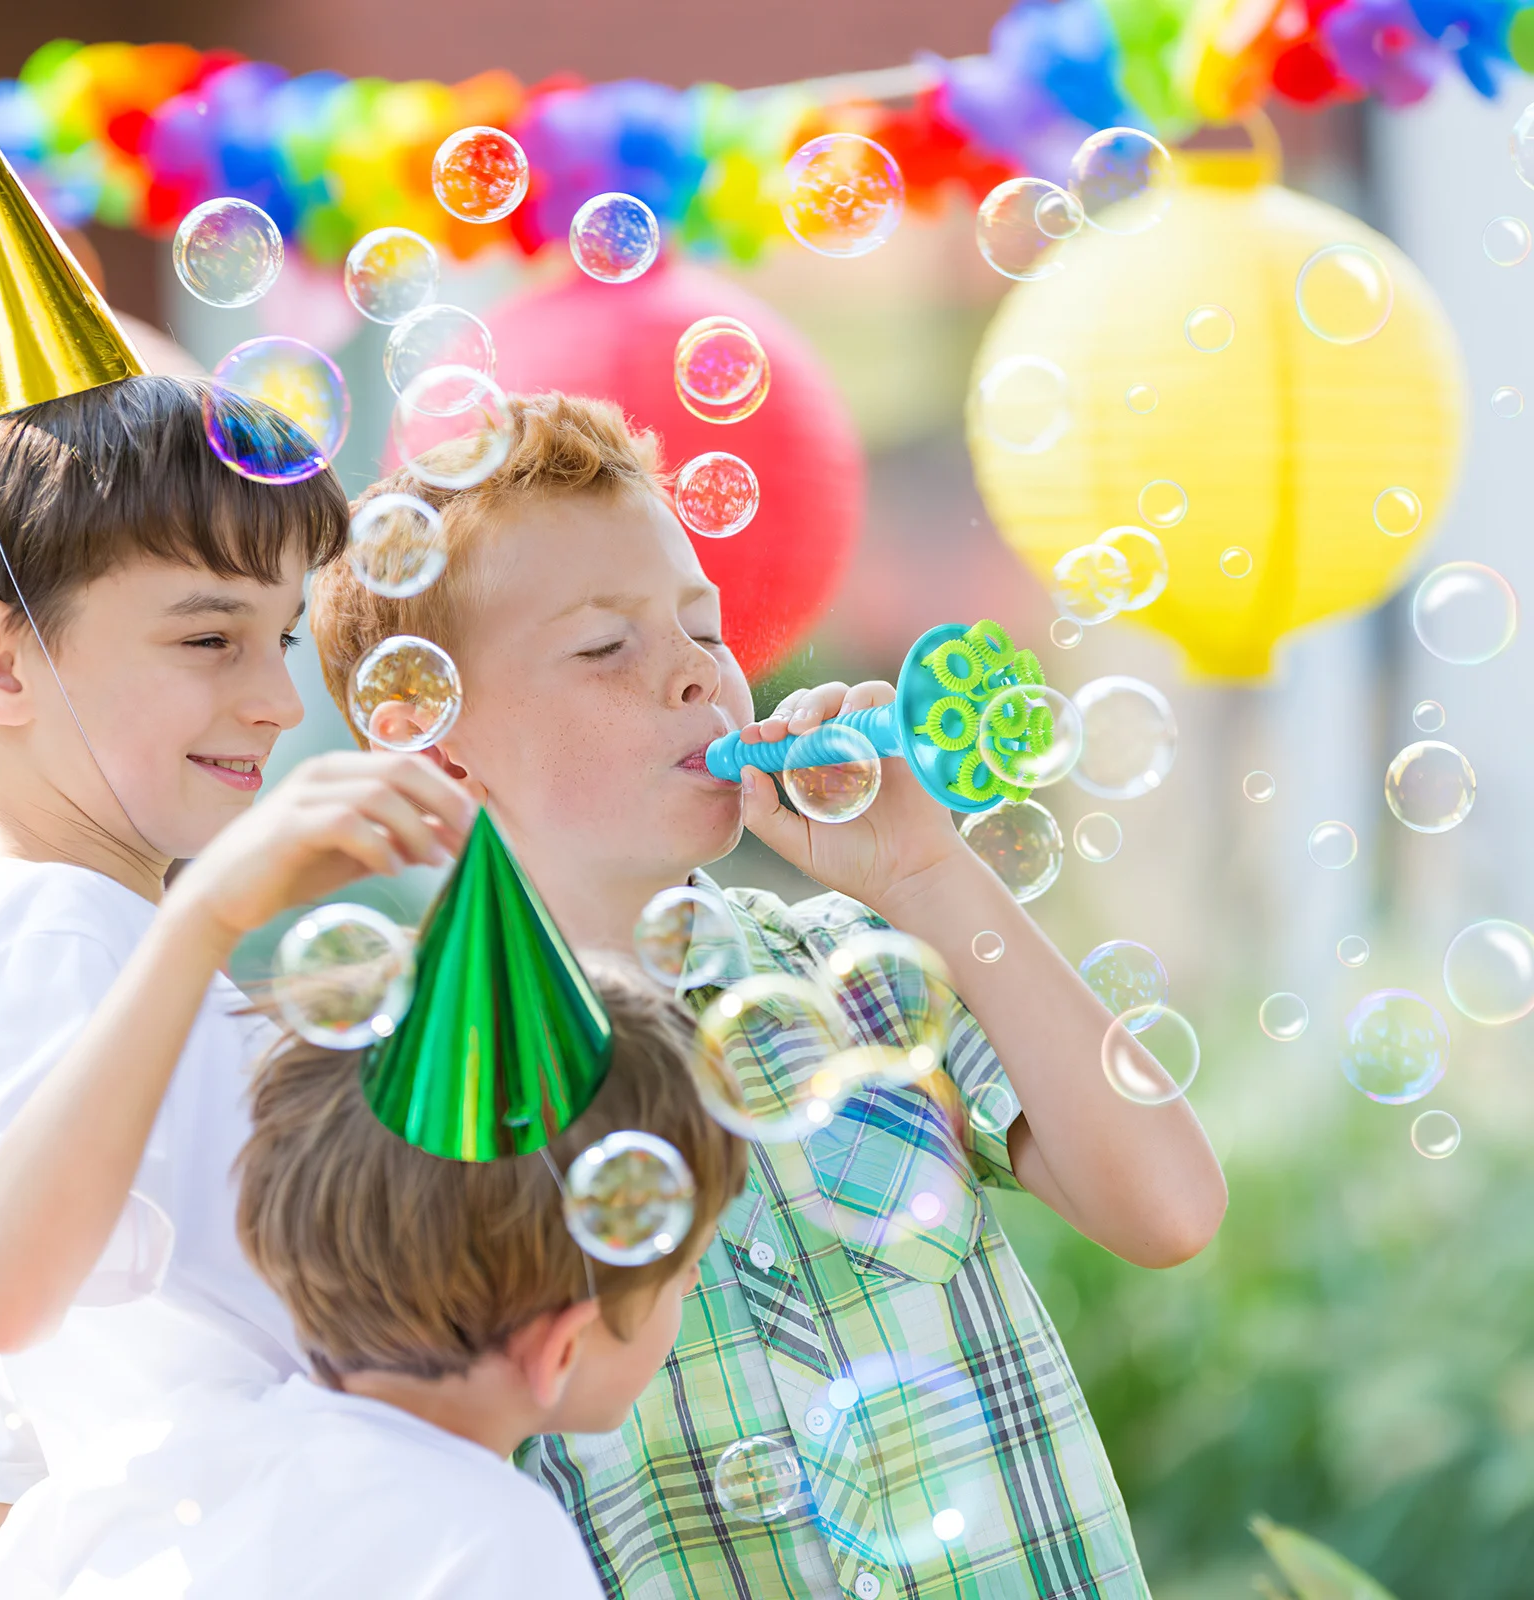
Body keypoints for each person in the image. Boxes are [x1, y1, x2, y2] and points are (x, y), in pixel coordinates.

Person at [309, 391, 1230, 1600]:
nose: (696, 672)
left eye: (703, 626)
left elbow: (1165, 1210)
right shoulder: (429, 1102)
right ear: (436, 741)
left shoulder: (850, 965)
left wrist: (925, 872)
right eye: (606, 646)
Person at [0, 68, 473, 1544]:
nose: (276, 701)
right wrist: (216, 917)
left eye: (283, 636)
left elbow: (13, 1469)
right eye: (205, 637)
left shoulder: (78, 935)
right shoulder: (55, 934)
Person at [0, 963, 750, 1598]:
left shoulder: (161, 1449)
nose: (686, 1292)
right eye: (681, 1273)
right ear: (561, 1346)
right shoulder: (502, 1540)